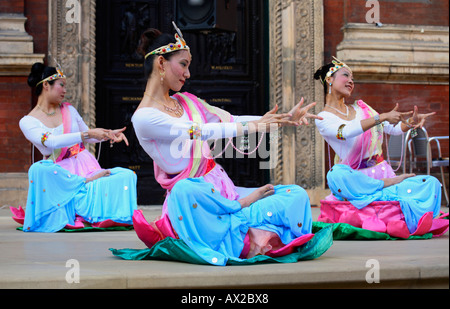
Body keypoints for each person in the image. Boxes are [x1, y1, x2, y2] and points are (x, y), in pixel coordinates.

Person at [131, 24, 326, 266]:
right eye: (183, 64)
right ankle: (245, 214)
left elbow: (230, 120)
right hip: (197, 200)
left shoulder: (185, 101)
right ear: (161, 63)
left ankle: (243, 220)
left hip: (223, 190)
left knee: (295, 194)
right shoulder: (144, 117)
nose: (188, 73)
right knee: (183, 190)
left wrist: (283, 119)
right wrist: (254, 128)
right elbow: (198, 132)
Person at [313, 57, 448, 238]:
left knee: (431, 184)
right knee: (336, 173)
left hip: (384, 172)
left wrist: (411, 124)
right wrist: (381, 117)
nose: (351, 81)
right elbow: (346, 132)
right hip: (358, 183)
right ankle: (395, 214)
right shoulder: (323, 118)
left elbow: (393, 129)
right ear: (329, 79)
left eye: (353, 78)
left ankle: (388, 212)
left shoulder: (363, 108)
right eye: (346, 75)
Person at [12, 62, 138, 232]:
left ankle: (87, 186)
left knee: (127, 175)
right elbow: (51, 142)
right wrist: (88, 135)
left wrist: (108, 134)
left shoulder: (69, 110)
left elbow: (89, 136)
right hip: (60, 176)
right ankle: (84, 185)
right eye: (61, 85)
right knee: (38, 169)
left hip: (85, 166)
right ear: (46, 85)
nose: (64, 90)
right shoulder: (27, 122)